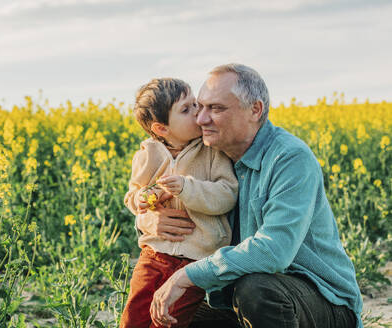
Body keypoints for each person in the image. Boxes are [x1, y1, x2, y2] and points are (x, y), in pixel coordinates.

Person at [140, 64, 363, 328]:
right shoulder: (211, 155)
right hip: (238, 296)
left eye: (216, 108)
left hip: (322, 299)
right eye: (200, 107)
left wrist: (186, 275)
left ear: (255, 110)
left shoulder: (289, 158)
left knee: (256, 289)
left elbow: (273, 252)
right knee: (168, 312)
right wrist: (146, 221)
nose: (201, 119)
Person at [120, 78, 238, 328]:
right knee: (133, 316)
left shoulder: (212, 152)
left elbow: (227, 195)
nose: (198, 112)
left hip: (194, 260)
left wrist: (187, 188)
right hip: (153, 255)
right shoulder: (147, 155)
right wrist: (141, 200)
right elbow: (133, 195)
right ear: (162, 128)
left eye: (194, 103)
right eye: (186, 109)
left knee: (170, 320)